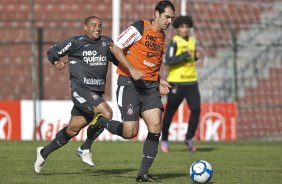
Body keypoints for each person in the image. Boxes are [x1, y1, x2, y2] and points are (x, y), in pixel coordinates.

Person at [34, 16, 142, 173]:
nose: (97, 28)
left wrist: (132, 67)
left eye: (100, 25)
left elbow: (118, 60)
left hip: (96, 92)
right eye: (93, 25)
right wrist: (56, 61)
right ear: (85, 27)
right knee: (107, 113)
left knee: (72, 130)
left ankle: (43, 152)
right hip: (81, 89)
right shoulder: (75, 42)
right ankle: (85, 148)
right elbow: (52, 51)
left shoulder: (106, 42)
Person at [88, 0, 175, 182]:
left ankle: (142, 174)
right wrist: (131, 68)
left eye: (171, 18)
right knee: (130, 132)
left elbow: (150, 64)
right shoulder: (139, 27)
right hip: (129, 84)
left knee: (155, 127)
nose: (169, 21)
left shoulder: (162, 37)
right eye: (167, 16)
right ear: (157, 14)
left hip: (150, 88)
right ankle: (100, 121)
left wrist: (158, 81)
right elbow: (116, 47)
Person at [160, 15, 203, 153]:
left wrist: (195, 56)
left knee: (196, 109)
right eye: (181, 26)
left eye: (186, 27)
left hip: (191, 82)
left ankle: (189, 138)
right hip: (176, 82)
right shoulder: (174, 42)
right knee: (170, 112)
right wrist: (185, 54)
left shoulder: (192, 40)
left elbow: (190, 60)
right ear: (177, 28)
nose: (184, 29)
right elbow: (168, 60)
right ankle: (165, 138)